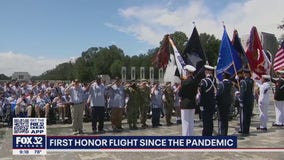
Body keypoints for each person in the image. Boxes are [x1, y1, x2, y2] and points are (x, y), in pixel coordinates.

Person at [179, 65, 198, 136]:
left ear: (187, 72)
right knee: (191, 121)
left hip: (185, 104)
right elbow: (195, 92)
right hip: (192, 103)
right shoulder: (195, 81)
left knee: (185, 122)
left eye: (186, 71)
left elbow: (180, 93)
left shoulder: (184, 82)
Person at [199, 65, 217, 136]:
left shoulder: (204, 81)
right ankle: (210, 133)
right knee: (210, 120)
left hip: (205, 104)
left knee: (205, 121)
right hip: (212, 104)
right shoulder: (214, 80)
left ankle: (206, 136)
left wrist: (201, 104)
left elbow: (202, 94)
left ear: (207, 71)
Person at [216, 71, 233, 136]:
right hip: (228, 103)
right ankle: (225, 133)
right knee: (225, 119)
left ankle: (222, 133)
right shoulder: (230, 83)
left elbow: (218, 94)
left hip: (222, 104)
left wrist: (216, 101)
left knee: (222, 119)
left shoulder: (221, 84)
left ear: (224, 76)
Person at [239, 69, 254, 135]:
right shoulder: (251, 81)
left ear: (245, 74)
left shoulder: (243, 82)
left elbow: (243, 92)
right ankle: (247, 130)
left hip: (245, 101)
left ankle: (243, 130)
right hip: (250, 100)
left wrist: (241, 100)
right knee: (248, 116)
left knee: (244, 116)